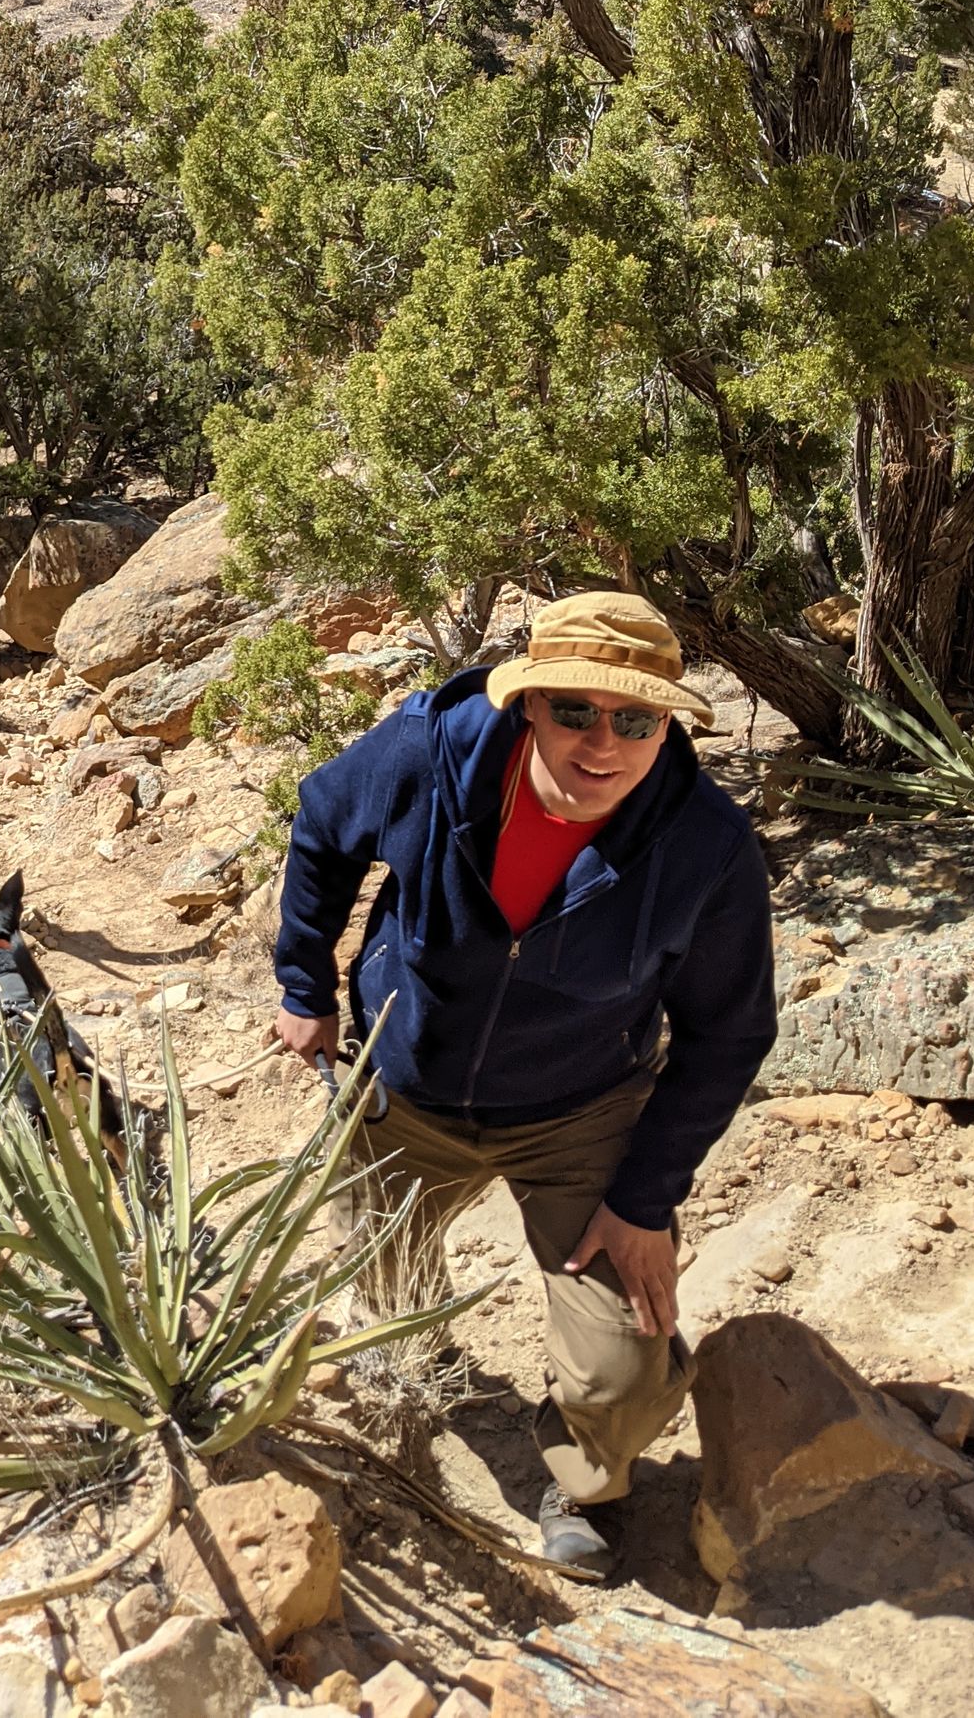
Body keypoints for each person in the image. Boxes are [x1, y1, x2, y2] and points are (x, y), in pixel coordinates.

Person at [272, 590, 777, 1572]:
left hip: (579, 1115)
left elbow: (728, 1032)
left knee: (627, 1356)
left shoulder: (703, 848)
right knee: (380, 1272)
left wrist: (641, 1200)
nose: (602, 742)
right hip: (402, 1087)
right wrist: (304, 983)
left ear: (666, 720)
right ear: (526, 703)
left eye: (634, 717)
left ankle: (582, 1482)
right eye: (574, 710)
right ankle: (409, 1356)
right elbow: (323, 824)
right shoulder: (431, 752)